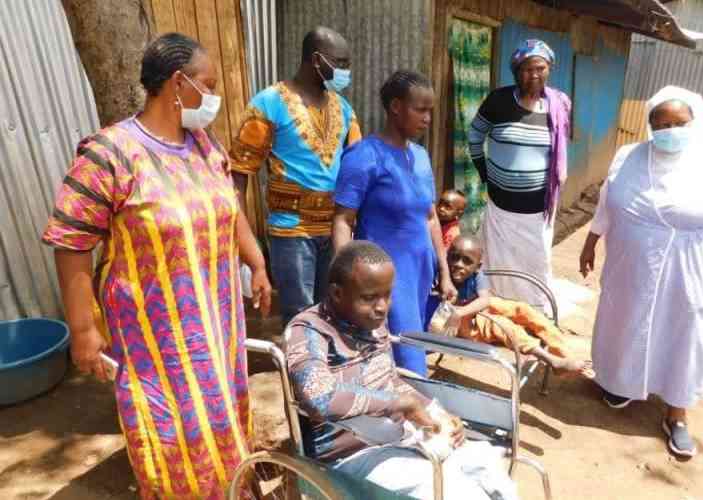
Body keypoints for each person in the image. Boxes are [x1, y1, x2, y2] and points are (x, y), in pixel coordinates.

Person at [42, 33, 271, 498]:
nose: (214, 97)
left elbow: (229, 206)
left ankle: (230, 486)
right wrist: (83, 330)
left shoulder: (204, 144)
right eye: (208, 85)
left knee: (224, 408)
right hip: (156, 335)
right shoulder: (108, 154)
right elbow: (70, 242)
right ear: (178, 84)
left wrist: (257, 262)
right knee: (172, 425)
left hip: (218, 317)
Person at [579, 86, 703, 458]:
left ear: (694, 122)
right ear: (650, 126)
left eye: (678, 123)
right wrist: (590, 241)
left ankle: (677, 413)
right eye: (660, 124)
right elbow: (607, 202)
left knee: (684, 333)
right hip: (630, 263)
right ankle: (621, 383)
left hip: (689, 264)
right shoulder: (629, 156)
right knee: (624, 321)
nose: (669, 130)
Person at [286, 241, 519, 499]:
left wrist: (436, 413)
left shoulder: (370, 321)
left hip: (398, 436)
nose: (382, 307)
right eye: (369, 297)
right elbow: (318, 395)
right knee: (457, 491)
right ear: (337, 294)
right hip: (351, 454)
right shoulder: (309, 330)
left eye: (387, 295)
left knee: (485, 464)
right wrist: (398, 404)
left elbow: (389, 380)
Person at [229, 26, 361, 324]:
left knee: (334, 313)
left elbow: (358, 166)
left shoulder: (344, 109)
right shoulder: (268, 103)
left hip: (335, 228)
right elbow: (239, 173)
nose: (345, 71)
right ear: (316, 60)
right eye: (340, 63)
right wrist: (244, 238)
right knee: (300, 317)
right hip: (291, 230)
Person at [333, 70, 457, 377]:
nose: (427, 118)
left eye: (430, 110)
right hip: (385, 276)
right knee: (408, 357)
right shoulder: (365, 155)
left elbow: (430, 217)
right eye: (420, 109)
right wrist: (346, 276)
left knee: (404, 348)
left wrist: (443, 271)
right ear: (396, 107)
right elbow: (343, 220)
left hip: (420, 273)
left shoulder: (421, 156)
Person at [468, 39, 571, 310]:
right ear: (516, 72)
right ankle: (499, 308)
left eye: (540, 68)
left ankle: (534, 310)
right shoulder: (498, 101)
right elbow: (475, 136)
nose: (534, 75)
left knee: (536, 263)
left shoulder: (559, 104)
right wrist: (486, 175)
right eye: (527, 69)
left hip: (537, 211)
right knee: (498, 263)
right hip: (501, 208)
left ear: (549, 69)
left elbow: (560, 149)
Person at [433, 236, 589, 374]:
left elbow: (485, 300)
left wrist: (461, 312)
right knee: (502, 324)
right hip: (461, 327)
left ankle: (565, 354)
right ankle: (550, 360)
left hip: (471, 312)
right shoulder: (442, 275)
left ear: (477, 267)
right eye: (454, 257)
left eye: (467, 261)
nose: (458, 264)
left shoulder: (477, 275)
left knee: (521, 309)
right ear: (446, 257)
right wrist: (457, 310)